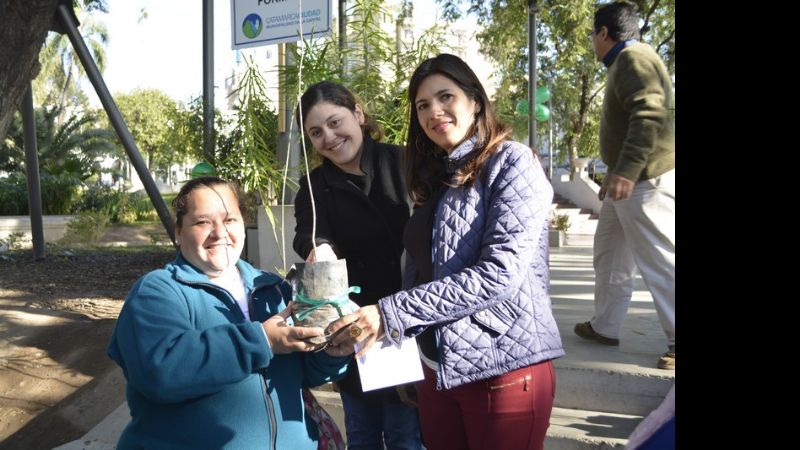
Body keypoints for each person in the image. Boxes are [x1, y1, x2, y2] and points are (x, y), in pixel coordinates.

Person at [326, 53, 565, 450]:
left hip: (502, 367)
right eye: (423, 105)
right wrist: (407, 354)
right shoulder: (437, 177)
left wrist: (390, 313)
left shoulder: (512, 163)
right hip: (437, 369)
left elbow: (499, 274)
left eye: (445, 97)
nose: (434, 111)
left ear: (474, 100)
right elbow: (418, 270)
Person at [107, 176, 351, 449]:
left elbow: (306, 374)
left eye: (230, 220)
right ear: (178, 231)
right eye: (202, 222)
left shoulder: (272, 287)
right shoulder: (157, 292)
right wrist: (262, 340)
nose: (219, 232)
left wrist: (331, 352)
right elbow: (160, 373)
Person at [293, 81, 423, 450]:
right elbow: (308, 232)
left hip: (402, 320)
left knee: (405, 434)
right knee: (362, 433)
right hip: (350, 325)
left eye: (335, 123)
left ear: (358, 114)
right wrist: (319, 250)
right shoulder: (316, 185)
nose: (329, 138)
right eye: (316, 133)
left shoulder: (404, 162)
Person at [575, 1, 675, 370]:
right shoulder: (627, 60)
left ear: (604, 33)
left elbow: (648, 113)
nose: (591, 42)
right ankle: (605, 326)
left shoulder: (634, 59)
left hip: (645, 182)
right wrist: (617, 172)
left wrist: (627, 171)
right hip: (630, 182)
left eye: (592, 34)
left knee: (662, 262)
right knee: (609, 255)